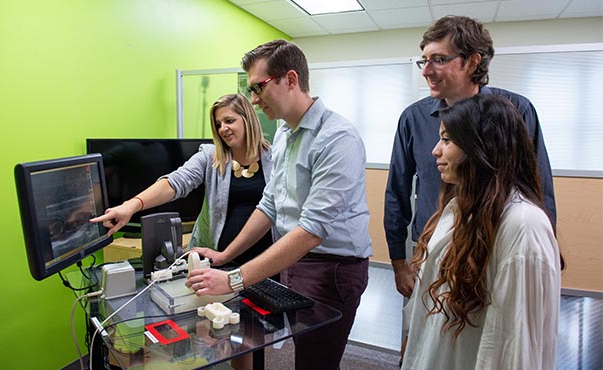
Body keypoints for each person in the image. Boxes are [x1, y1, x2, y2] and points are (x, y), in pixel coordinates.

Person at [187, 39, 372, 370]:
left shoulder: (336, 138)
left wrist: (233, 279)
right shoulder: (286, 133)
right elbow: (270, 205)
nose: (254, 100)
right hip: (296, 264)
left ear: (290, 79)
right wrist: (227, 257)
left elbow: (311, 229)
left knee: (316, 362)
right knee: (301, 352)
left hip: (331, 269)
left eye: (258, 87)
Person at [91, 93, 275, 370]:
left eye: (229, 120)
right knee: (223, 328)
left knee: (253, 330)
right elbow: (175, 182)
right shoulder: (211, 157)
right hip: (220, 258)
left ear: (248, 119)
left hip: (264, 257)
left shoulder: (276, 157)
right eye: (218, 124)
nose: (223, 128)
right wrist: (131, 206)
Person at [384, 15, 557, 300]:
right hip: (431, 249)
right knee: (420, 337)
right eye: (423, 60)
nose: (426, 71)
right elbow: (397, 192)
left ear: (473, 61)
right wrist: (398, 263)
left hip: (497, 252)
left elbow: (540, 190)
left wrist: (544, 250)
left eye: (438, 59)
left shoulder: (515, 111)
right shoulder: (413, 119)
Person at [401, 94, 561, 370]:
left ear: (482, 147)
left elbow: (515, 346)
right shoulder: (457, 210)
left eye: (447, 140)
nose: (435, 151)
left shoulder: (524, 225)